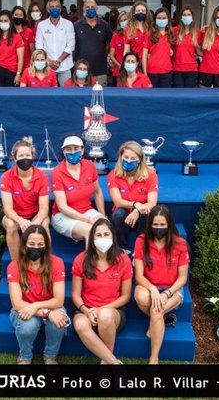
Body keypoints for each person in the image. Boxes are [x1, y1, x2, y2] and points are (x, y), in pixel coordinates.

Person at [133, 205, 189, 365]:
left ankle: (153, 358)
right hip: (148, 286)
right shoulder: (141, 241)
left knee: (156, 310)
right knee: (143, 299)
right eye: (155, 225)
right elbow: (139, 275)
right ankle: (159, 320)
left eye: (162, 225)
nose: (158, 228)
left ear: (169, 225)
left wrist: (167, 293)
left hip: (172, 289)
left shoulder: (180, 244)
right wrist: (152, 290)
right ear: (150, 224)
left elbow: (183, 278)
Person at [71, 218, 132, 365]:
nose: (103, 238)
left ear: (113, 236)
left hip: (113, 311)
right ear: (92, 238)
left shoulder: (123, 260)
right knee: (80, 325)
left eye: (106, 234)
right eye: (98, 235)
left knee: (105, 315)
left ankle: (105, 363)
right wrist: (87, 311)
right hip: (86, 309)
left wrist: (101, 309)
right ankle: (113, 363)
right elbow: (75, 295)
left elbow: (126, 296)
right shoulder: (81, 260)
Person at [7, 225, 68, 365]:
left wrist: (37, 307)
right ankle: (25, 357)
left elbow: (59, 300)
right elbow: (17, 303)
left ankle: (51, 356)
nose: (36, 247)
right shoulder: (14, 265)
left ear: (46, 245)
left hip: (44, 306)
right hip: (23, 310)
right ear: (24, 244)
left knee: (59, 321)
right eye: (32, 244)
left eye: (40, 244)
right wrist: (46, 312)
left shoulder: (57, 263)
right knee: (28, 326)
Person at [0, 137, 51, 260]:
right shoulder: (6, 177)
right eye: (21, 155)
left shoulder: (42, 176)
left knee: (44, 224)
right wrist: (20, 220)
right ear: (15, 158)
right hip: (15, 216)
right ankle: (16, 264)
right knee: (11, 225)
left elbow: (44, 209)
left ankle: (45, 261)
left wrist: (35, 224)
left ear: (33, 156)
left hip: (35, 215)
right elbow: (7, 209)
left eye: (27, 155)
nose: (24, 158)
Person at [51, 134, 106, 243]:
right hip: (62, 216)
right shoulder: (57, 172)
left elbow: (98, 192)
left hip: (87, 211)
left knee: (106, 227)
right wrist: (88, 220)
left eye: (76, 149)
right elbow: (62, 207)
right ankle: (87, 260)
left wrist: (103, 215)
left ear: (82, 150)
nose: (72, 152)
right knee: (91, 231)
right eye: (68, 149)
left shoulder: (89, 166)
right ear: (63, 151)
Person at [108, 141, 158, 252]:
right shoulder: (113, 175)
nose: (129, 161)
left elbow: (152, 203)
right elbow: (118, 202)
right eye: (126, 157)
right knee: (118, 214)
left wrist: (136, 211)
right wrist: (136, 204)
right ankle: (122, 250)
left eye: (133, 158)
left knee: (146, 213)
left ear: (140, 159)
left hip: (141, 216)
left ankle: (141, 250)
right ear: (121, 157)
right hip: (123, 218)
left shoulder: (151, 175)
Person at [35, 0, 75, 87]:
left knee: (67, 94)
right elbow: (39, 47)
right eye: (52, 7)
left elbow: (71, 46)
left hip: (65, 66)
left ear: (60, 8)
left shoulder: (68, 24)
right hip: (47, 67)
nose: (55, 9)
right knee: (46, 94)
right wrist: (49, 62)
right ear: (48, 10)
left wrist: (58, 61)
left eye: (57, 6)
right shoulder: (41, 25)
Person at [74, 0, 113, 86]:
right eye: (87, 7)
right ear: (83, 8)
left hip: (100, 71)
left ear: (97, 8)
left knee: (99, 97)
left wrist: (108, 54)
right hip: (81, 72)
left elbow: (111, 44)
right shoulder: (76, 26)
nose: (90, 9)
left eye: (92, 7)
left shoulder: (105, 26)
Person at [0, 10, 25, 86]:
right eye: (1, 21)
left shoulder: (17, 37)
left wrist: (18, 74)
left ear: (10, 22)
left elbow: (20, 58)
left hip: (12, 71)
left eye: (6, 20)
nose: (3, 23)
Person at [198, 6, 219, 88]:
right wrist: (204, 54)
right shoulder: (205, 31)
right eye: (217, 17)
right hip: (205, 70)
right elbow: (196, 46)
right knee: (203, 99)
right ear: (214, 19)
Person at [143, 7, 174, 88]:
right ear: (155, 20)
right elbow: (144, 56)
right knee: (151, 97)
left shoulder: (171, 34)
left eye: (164, 18)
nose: (161, 19)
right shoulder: (149, 34)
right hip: (152, 72)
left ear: (168, 20)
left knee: (165, 98)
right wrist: (145, 74)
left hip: (167, 72)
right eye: (159, 18)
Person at [172, 6, 200, 88]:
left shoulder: (197, 32)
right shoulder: (174, 31)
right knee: (178, 95)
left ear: (192, 17)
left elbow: (199, 50)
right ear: (181, 17)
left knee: (190, 96)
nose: (186, 17)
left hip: (192, 70)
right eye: (184, 15)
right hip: (177, 69)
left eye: (188, 15)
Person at [123, 1, 152, 72]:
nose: (140, 12)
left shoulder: (150, 29)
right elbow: (126, 50)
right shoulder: (129, 30)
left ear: (146, 13)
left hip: (150, 64)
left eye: (143, 11)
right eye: (138, 11)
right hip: (135, 65)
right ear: (134, 12)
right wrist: (125, 66)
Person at [108, 12, 128, 87]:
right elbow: (111, 55)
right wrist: (120, 66)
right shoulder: (115, 36)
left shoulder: (133, 34)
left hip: (131, 71)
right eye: (121, 21)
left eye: (125, 19)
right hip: (118, 71)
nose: (123, 22)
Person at [12, 6, 35, 72]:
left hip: (26, 67)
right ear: (12, 16)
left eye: (20, 15)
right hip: (12, 67)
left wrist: (32, 65)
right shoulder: (8, 32)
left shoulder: (28, 31)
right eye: (16, 15)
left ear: (24, 17)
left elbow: (32, 51)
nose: (18, 17)